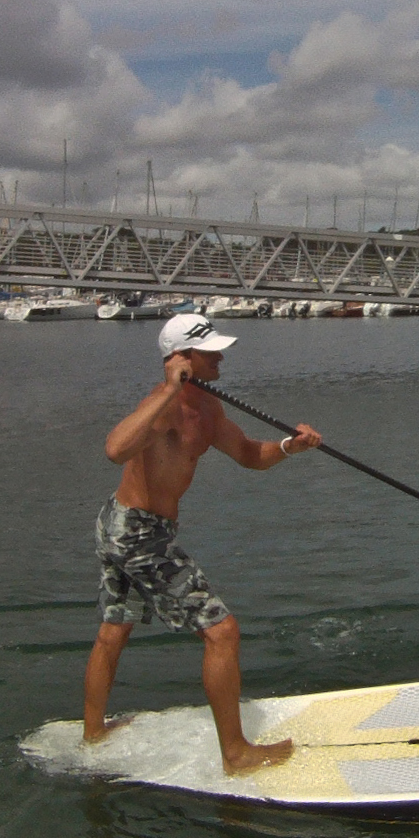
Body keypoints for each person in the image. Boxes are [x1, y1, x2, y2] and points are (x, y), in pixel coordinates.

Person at [85, 312, 321, 771]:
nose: (220, 357)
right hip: (136, 533)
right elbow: (115, 449)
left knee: (115, 630)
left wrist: (291, 446)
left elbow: (251, 455)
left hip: (130, 527)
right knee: (222, 632)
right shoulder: (164, 404)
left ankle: (94, 733)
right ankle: (236, 754)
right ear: (181, 358)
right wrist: (171, 388)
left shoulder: (209, 410)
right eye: (209, 350)